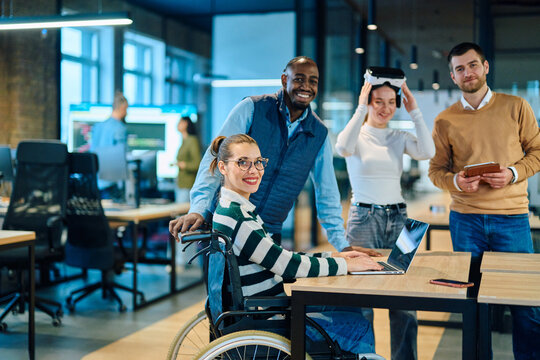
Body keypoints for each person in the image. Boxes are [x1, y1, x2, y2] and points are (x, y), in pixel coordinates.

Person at [169, 56, 379, 257]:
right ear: (284, 79)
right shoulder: (252, 108)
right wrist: (199, 209)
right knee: (221, 292)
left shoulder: (319, 134)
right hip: (226, 225)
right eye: (299, 79)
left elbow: (327, 193)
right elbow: (215, 159)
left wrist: (342, 245)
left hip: (268, 231)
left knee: (262, 291)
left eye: (313, 81)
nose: (306, 86)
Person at [210, 133, 383, 354]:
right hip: (269, 319)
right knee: (359, 326)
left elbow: (278, 257)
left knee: (348, 309)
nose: (253, 170)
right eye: (242, 162)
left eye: (258, 162)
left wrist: (335, 258)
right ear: (223, 167)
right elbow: (285, 266)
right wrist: (346, 266)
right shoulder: (238, 218)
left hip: (267, 311)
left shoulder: (234, 210)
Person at [428, 42, 540, 359]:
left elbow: (537, 152)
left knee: (527, 307)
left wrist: (514, 174)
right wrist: (456, 182)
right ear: (452, 76)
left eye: (473, 65)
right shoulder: (444, 120)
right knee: (472, 306)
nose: (468, 72)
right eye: (460, 68)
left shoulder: (516, 107)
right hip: (466, 220)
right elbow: (436, 171)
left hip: (513, 219)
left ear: (485, 67)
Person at [335, 72, 435, 360]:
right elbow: (342, 147)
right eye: (378, 101)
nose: (385, 108)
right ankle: (365, 357)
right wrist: (359, 107)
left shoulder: (398, 137)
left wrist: (414, 108)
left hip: (399, 219)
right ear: (368, 102)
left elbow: (427, 151)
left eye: (391, 102)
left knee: (404, 298)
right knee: (362, 299)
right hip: (364, 219)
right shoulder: (357, 134)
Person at [90, 90, 129, 199]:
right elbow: (123, 156)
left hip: (96, 180)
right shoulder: (120, 128)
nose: (127, 113)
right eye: (126, 109)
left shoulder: (98, 126)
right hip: (111, 182)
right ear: (122, 108)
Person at [173, 116, 201, 203]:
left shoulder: (192, 140)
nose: (177, 124)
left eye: (180, 122)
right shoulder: (184, 141)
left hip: (187, 184)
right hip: (180, 183)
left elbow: (197, 164)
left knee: (182, 213)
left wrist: (183, 165)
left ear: (186, 124)